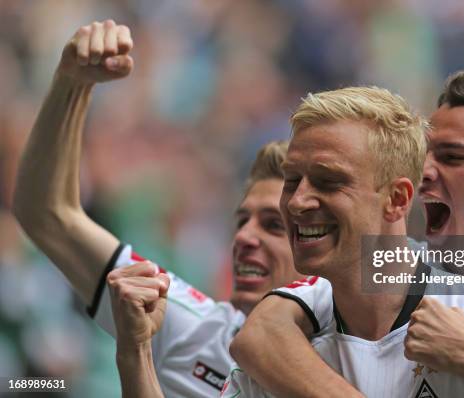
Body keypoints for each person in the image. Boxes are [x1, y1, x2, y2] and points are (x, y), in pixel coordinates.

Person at [228, 73, 464, 397]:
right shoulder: (335, 293)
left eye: (451, 157)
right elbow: (260, 333)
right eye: (424, 154)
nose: (424, 170)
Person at [11, 20, 326, 398]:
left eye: (273, 225)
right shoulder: (192, 323)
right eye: (242, 221)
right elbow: (48, 215)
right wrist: (72, 84)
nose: (244, 237)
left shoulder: (370, 356)